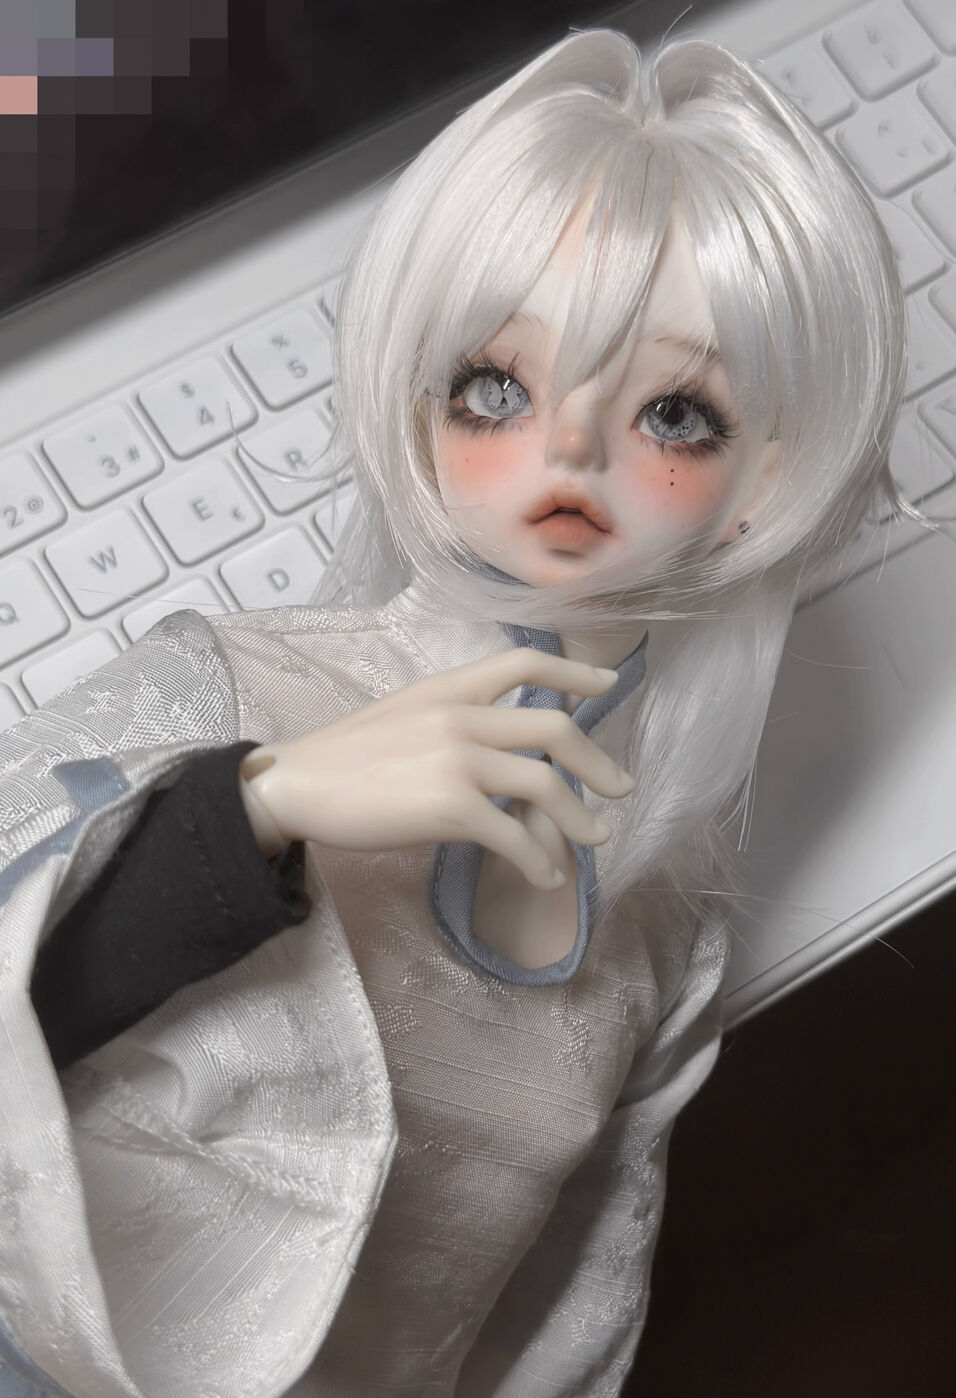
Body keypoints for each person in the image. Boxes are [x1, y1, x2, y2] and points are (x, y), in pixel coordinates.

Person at [0, 28, 906, 1398]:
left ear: (769, 476)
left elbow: (573, 1294)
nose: (570, 448)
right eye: (498, 389)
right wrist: (253, 810)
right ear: (421, 403)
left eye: (675, 413)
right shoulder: (232, 687)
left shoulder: (666, 923)